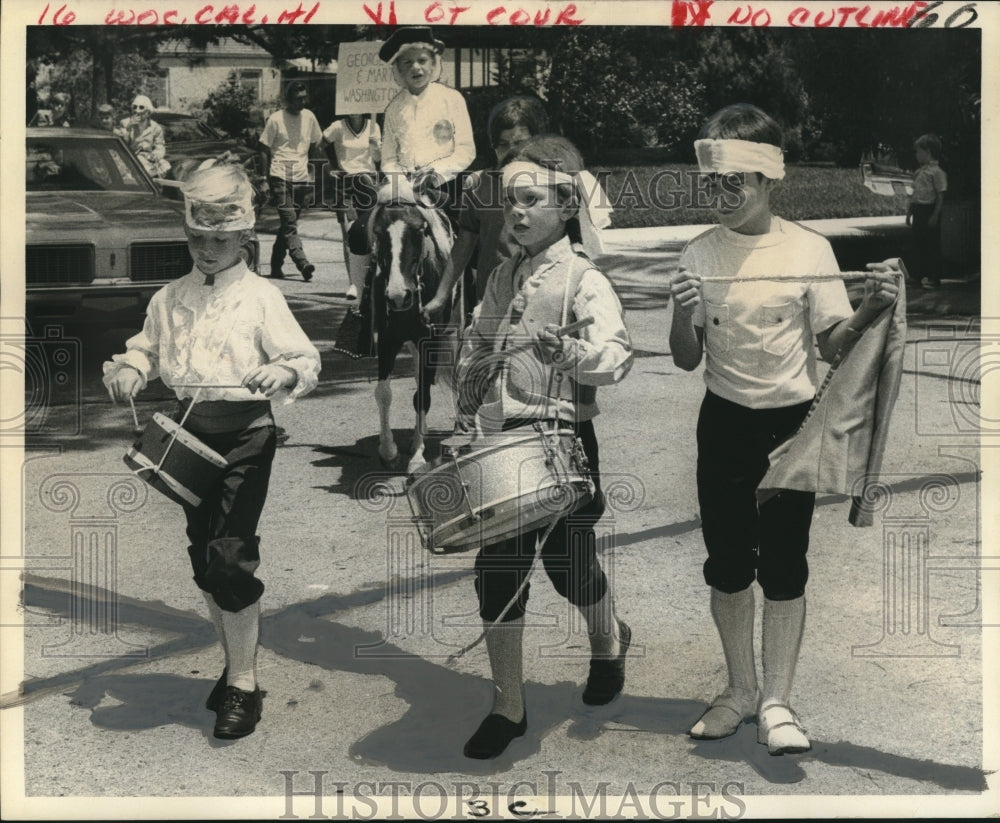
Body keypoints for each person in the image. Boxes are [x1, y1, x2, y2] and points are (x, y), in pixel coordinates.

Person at [667, 104, 902, 755]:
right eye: (711, 181)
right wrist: (685, 315)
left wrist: (872, 305)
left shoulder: (808, 249)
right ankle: (742, 689)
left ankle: (779, 700)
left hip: (788, 432)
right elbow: (687, 357)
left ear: (770, 180)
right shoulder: (699, 251)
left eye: (735, 181)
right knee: (728, 565)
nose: (720, 194)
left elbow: (834, 344)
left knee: (785, 564)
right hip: (722, 425)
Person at [102, 163, 321, 740]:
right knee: (204, 557)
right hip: (185, 438)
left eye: (220, 240)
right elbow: (144, 349)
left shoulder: (261, 296)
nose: (207, 249)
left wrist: (281, 371)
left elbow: (305, 359)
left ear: (245, 236)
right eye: (197, 239)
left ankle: (243, 686)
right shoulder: (169, 298)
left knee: (231, 555)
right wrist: (130, 368)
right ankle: (233, 665)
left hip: (247, 434)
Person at [455, 135, 633, 760]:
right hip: (505, 443)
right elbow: (480, 345)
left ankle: (608, 642)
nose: (517, 214)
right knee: (498, 570)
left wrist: (575, 354)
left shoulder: (584, 279)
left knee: (570, 566)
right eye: (510, 204)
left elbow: (615, 356)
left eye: (531, 202)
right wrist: (467, 408)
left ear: (566, 208)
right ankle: (508, 705)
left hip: (564, 441)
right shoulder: (505, 274)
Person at [422, 96, 549, 323]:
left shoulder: (553, 184)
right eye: (503, 144)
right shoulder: (478, 184)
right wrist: (441, 297)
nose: (512, 151)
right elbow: (464, 243)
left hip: (543, 301)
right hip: (492, 301)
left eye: (520, 142)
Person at [379, 26, 475, 205]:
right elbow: (389, 157)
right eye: (407, 62)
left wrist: (435, 172)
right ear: (398, 69)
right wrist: (400, 182)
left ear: (433, 64)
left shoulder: (451, 99)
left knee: (453, 228)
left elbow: (466, 149)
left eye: (422, 60)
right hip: (404, 188)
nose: (416, 67)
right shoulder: (394, 108)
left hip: (445, 186)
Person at [259, 81, 324, 281]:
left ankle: (276, 265)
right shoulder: (276, 119)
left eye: (305, 97)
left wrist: (312, 176)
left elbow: (315, 145)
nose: (302, 102)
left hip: (301, 179)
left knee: (288, 225)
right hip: (280, 176)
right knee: (290, 223)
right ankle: (302, 262)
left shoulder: (310, 117)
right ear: (288, 99)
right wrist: (264, 178)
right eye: (298, 99)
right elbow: (263, 149)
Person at [321, 113, 381, 299]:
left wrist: (375, 146)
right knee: (348, 232)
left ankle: (368, 278)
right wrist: (329, 168)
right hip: (346, 183)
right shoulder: (337, 126)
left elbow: (378, 159)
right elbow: (318, 146)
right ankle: (353, 284)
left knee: (369, 231)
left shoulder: (373, 125)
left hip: (367, 182)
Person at [906, 133, 947, 290]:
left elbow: (940, 196)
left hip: (930, 210)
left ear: (928, 151)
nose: (916, 155)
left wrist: (935, 215)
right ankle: (917, 275)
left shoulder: (937, 172)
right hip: (918, 210)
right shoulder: (919, 172)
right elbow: (914, 194)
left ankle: (933, 277)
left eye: (918, 152)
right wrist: (909, 213)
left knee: (931, 245)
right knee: (918, 244)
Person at [117, 95, 171, 178]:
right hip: (131, 158)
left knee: (166, 167)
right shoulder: (125, 123)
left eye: (141, 108)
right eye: (134, 107)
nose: (137, 111)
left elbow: (160, 146)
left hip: (148, 158)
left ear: (148, 112)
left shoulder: (155, 127)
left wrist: (156, 155)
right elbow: (121, 144)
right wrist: (129, 127)